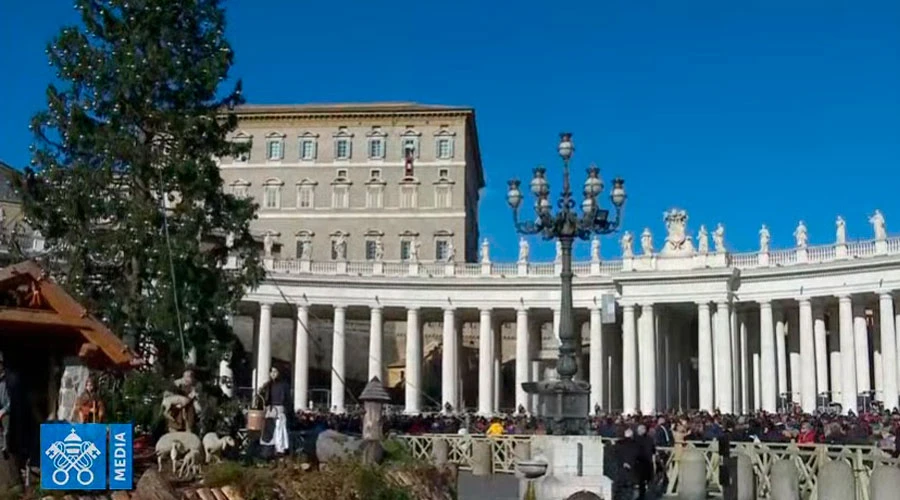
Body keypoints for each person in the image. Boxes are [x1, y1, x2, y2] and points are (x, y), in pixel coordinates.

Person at [258, 366, 290, 455]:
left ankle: (279, 451)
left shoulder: (284, 385)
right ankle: (267, 453)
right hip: (269, 411)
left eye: (275, 371)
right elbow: (262, 398)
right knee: (268, 431)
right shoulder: (267, 385)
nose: (273, 373)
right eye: (271, 371)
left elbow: (287, 401)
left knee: (279, 430)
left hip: (279, 410)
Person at [163, 368, 201, 433]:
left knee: (189, 419)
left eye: (189, 376)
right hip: (177, 406)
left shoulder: (197, 385)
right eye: (186, 376)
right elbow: (168, 394)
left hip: (190, 406)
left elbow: (195, 396)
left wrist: (191, 397)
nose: (187, 378)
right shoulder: (177, 383)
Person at [635, 424, 656, 500]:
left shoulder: (637, 439)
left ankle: (642, 496)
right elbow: (653, 450)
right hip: (649, 462)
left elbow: (636, 451)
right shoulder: (650, 439)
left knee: (641, 481)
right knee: (649, 480)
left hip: (641, 462)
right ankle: (651, 495)